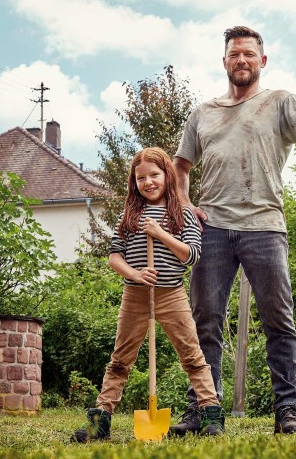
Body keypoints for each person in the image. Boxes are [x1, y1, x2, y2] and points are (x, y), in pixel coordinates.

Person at [172, 26, 296, 435]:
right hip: (210, 228)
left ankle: (287, 412)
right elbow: (180, 166)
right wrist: (186, 205)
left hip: (264, 227)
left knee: (279, 321)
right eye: (234, 54)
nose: (241, 60)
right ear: (224, 61)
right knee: (205, 322)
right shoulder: (203, 112)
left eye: (249, 54)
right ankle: (204, 410)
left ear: (262, 61)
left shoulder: (279, 102)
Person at [71, 147, 225, 442]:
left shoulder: (184, 215)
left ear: (168, 175)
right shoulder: (129, 215)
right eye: (141, 177)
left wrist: (160, 233)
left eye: (154, 175)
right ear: (134, 182)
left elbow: (190, 256)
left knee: (192, 356)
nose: (148, 182)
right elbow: (115, 257)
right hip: (135, 296)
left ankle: (211, 416)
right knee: (120, 360)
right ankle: (99, 421)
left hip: (172, 295)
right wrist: (135, 273)